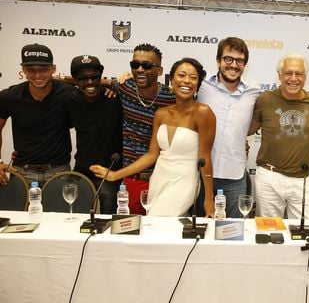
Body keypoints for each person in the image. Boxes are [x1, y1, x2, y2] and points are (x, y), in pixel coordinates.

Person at [91, 58, 216, 216]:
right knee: (161, 230)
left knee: (159, 222)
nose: (186, 81)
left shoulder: (203, 113)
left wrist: (209, 199)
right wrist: (115, 175)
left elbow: (205, 157)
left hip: (185, 181)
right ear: (172, 79)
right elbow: (151, 155)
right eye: (181, 75)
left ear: (198, 84)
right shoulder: (161, 114)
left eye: (193, 78)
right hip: (159, 178)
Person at [248, 53, 309, 220]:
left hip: (302, 180)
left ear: (305, 77)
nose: (293, 78)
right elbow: (248, 128)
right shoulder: (265, 99)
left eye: (298, 73)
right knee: (269, 233)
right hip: (269, 178)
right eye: (288, 73)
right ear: (279, 75)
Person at [107, 43, 174, 214]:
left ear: (159, 71)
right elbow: (89, 81)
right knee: (130, 234)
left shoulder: (172, 97)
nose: (140, 69)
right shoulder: (124, 87)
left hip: (164, 179)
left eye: (147, 65)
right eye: (135, 65)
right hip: (132, 179)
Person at [197, 37, 260, 218]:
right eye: (228, 59)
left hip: (235, 176)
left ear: (245, 64)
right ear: (218, 61)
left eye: (239, 61)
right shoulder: (200, 85)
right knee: (199, 231)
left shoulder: (254, 92)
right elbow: (175, 90)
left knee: (233, 233)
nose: (233, 65)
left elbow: (266, 114)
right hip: (200, 174)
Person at [0, 43, 73, 187]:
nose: (38, 75)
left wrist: (111, 88)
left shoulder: (68, 94)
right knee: (19, 210)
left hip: (59, 171)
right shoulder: (10, 96)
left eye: (44, 69)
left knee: (61, 209)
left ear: (53, 68)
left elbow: (92, 87)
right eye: (31, 70)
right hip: (22, 172)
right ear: (23, 70)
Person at [65, 54, 123, 214]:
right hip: (81, 169)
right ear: (75, 80)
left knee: (108, 221)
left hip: (110, 171)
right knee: (74, 218)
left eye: (94, 77)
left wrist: (112, 86)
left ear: (100, 77)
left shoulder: (115, 98)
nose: (89, 82)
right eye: (83, 78)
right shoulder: (69, 100)